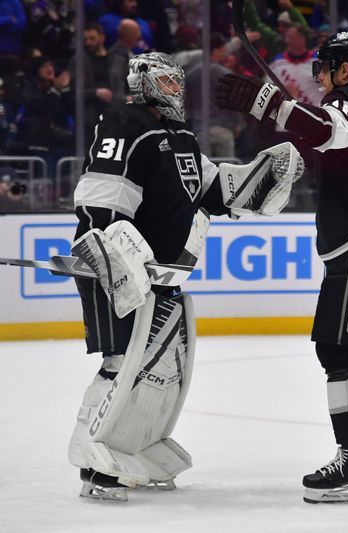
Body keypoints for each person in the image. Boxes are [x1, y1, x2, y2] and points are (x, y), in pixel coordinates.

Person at [67, 51, 303, 501]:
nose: (179, 92)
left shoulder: (181, 137)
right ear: (148, 84)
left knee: (157, 369)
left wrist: (263, 176)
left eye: (179, 84)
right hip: (113, 268)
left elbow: (215, 192)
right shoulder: (124, 122)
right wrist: (113, 255)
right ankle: (92, 460)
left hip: (161, 276)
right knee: (121, 362)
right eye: (170, 84)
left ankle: (136, 442)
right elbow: (101, 196)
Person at [215, 31, 348, 504]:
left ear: (344, 71)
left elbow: (330, 132)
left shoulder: (347, 103)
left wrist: (270, 105)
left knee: (338, 351)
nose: (319, 76)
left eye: (325, 67)